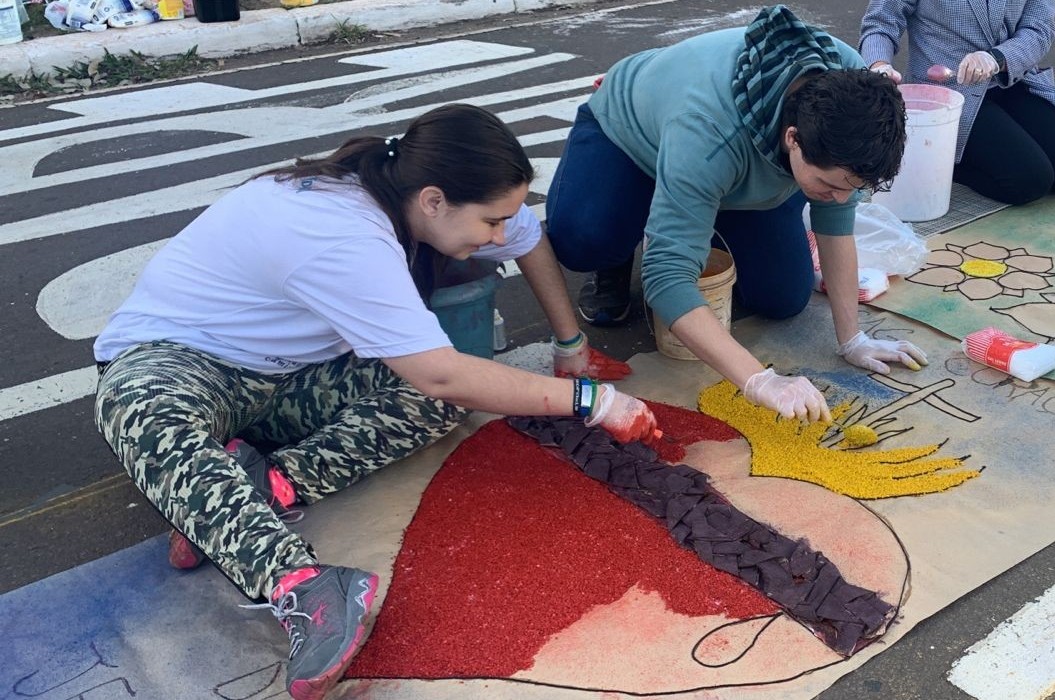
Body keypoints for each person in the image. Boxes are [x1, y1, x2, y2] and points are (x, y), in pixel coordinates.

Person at [92, 104, 658, 700]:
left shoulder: (405, 193)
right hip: (182, 365)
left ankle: (261, 486)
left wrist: (571, 345)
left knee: (439, 397)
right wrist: (591, 399)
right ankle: (304, 586)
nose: (498, 237)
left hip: (287, 379)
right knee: (141, 413)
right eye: (490, 222)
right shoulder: (338, 230)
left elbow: (527, 240)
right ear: (435, 201)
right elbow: (442, 373)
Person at [546, 5, 927, 423]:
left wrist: (852, 338)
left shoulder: (852, 92)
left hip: (725, 167)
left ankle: (695, 212)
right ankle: (626, 245)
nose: (839, 200)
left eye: (850, 189)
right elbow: (666, 279)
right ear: (793, 138)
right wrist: (759, 380)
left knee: (781, 298)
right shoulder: (708, 131)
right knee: (586, 237)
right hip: (632, 136)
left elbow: (835, 221)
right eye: (831, 187)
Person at [859, 0, 1055, 205]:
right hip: (950, 91)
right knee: (1030, 180)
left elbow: (1039, 29)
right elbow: (881, 22)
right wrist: (879, 66)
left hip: (1011, 78)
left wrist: (998, 58)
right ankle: (942, 161)